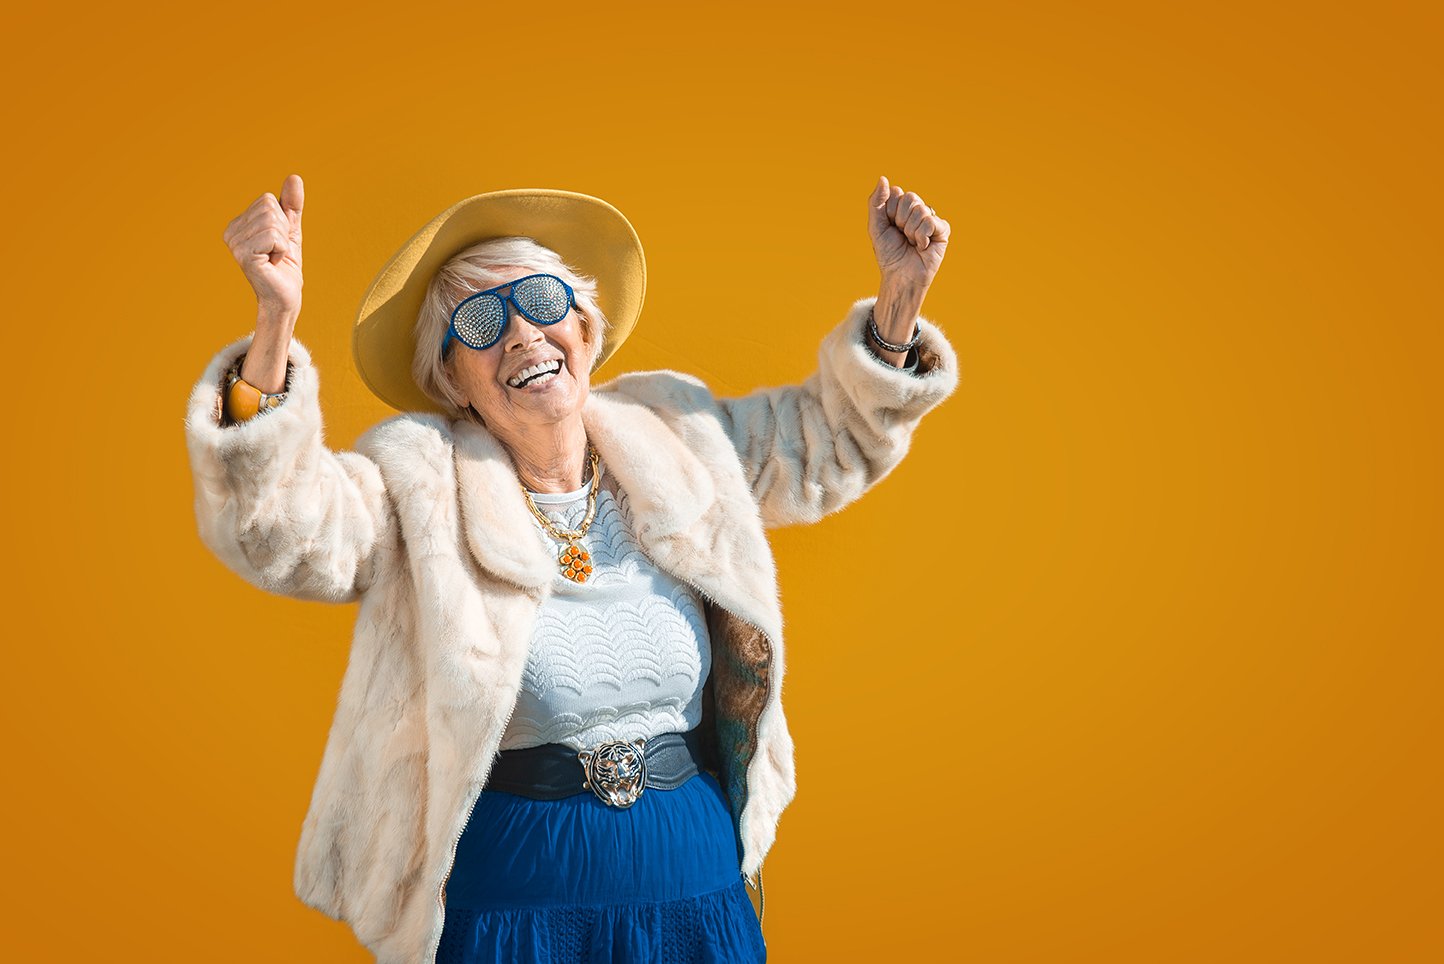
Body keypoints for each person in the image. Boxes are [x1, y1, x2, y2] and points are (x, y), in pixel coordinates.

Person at [184, 174, 960, 963]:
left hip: (694, 888)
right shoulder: (418, 480)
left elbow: (826, 444)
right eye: (482, 321)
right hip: (515, 905)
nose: (522, 333)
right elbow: (280, 527)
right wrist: (276, 324)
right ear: (452, 380)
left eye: (545, 303)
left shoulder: (678, 433)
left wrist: (899, 304)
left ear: (586, 330)